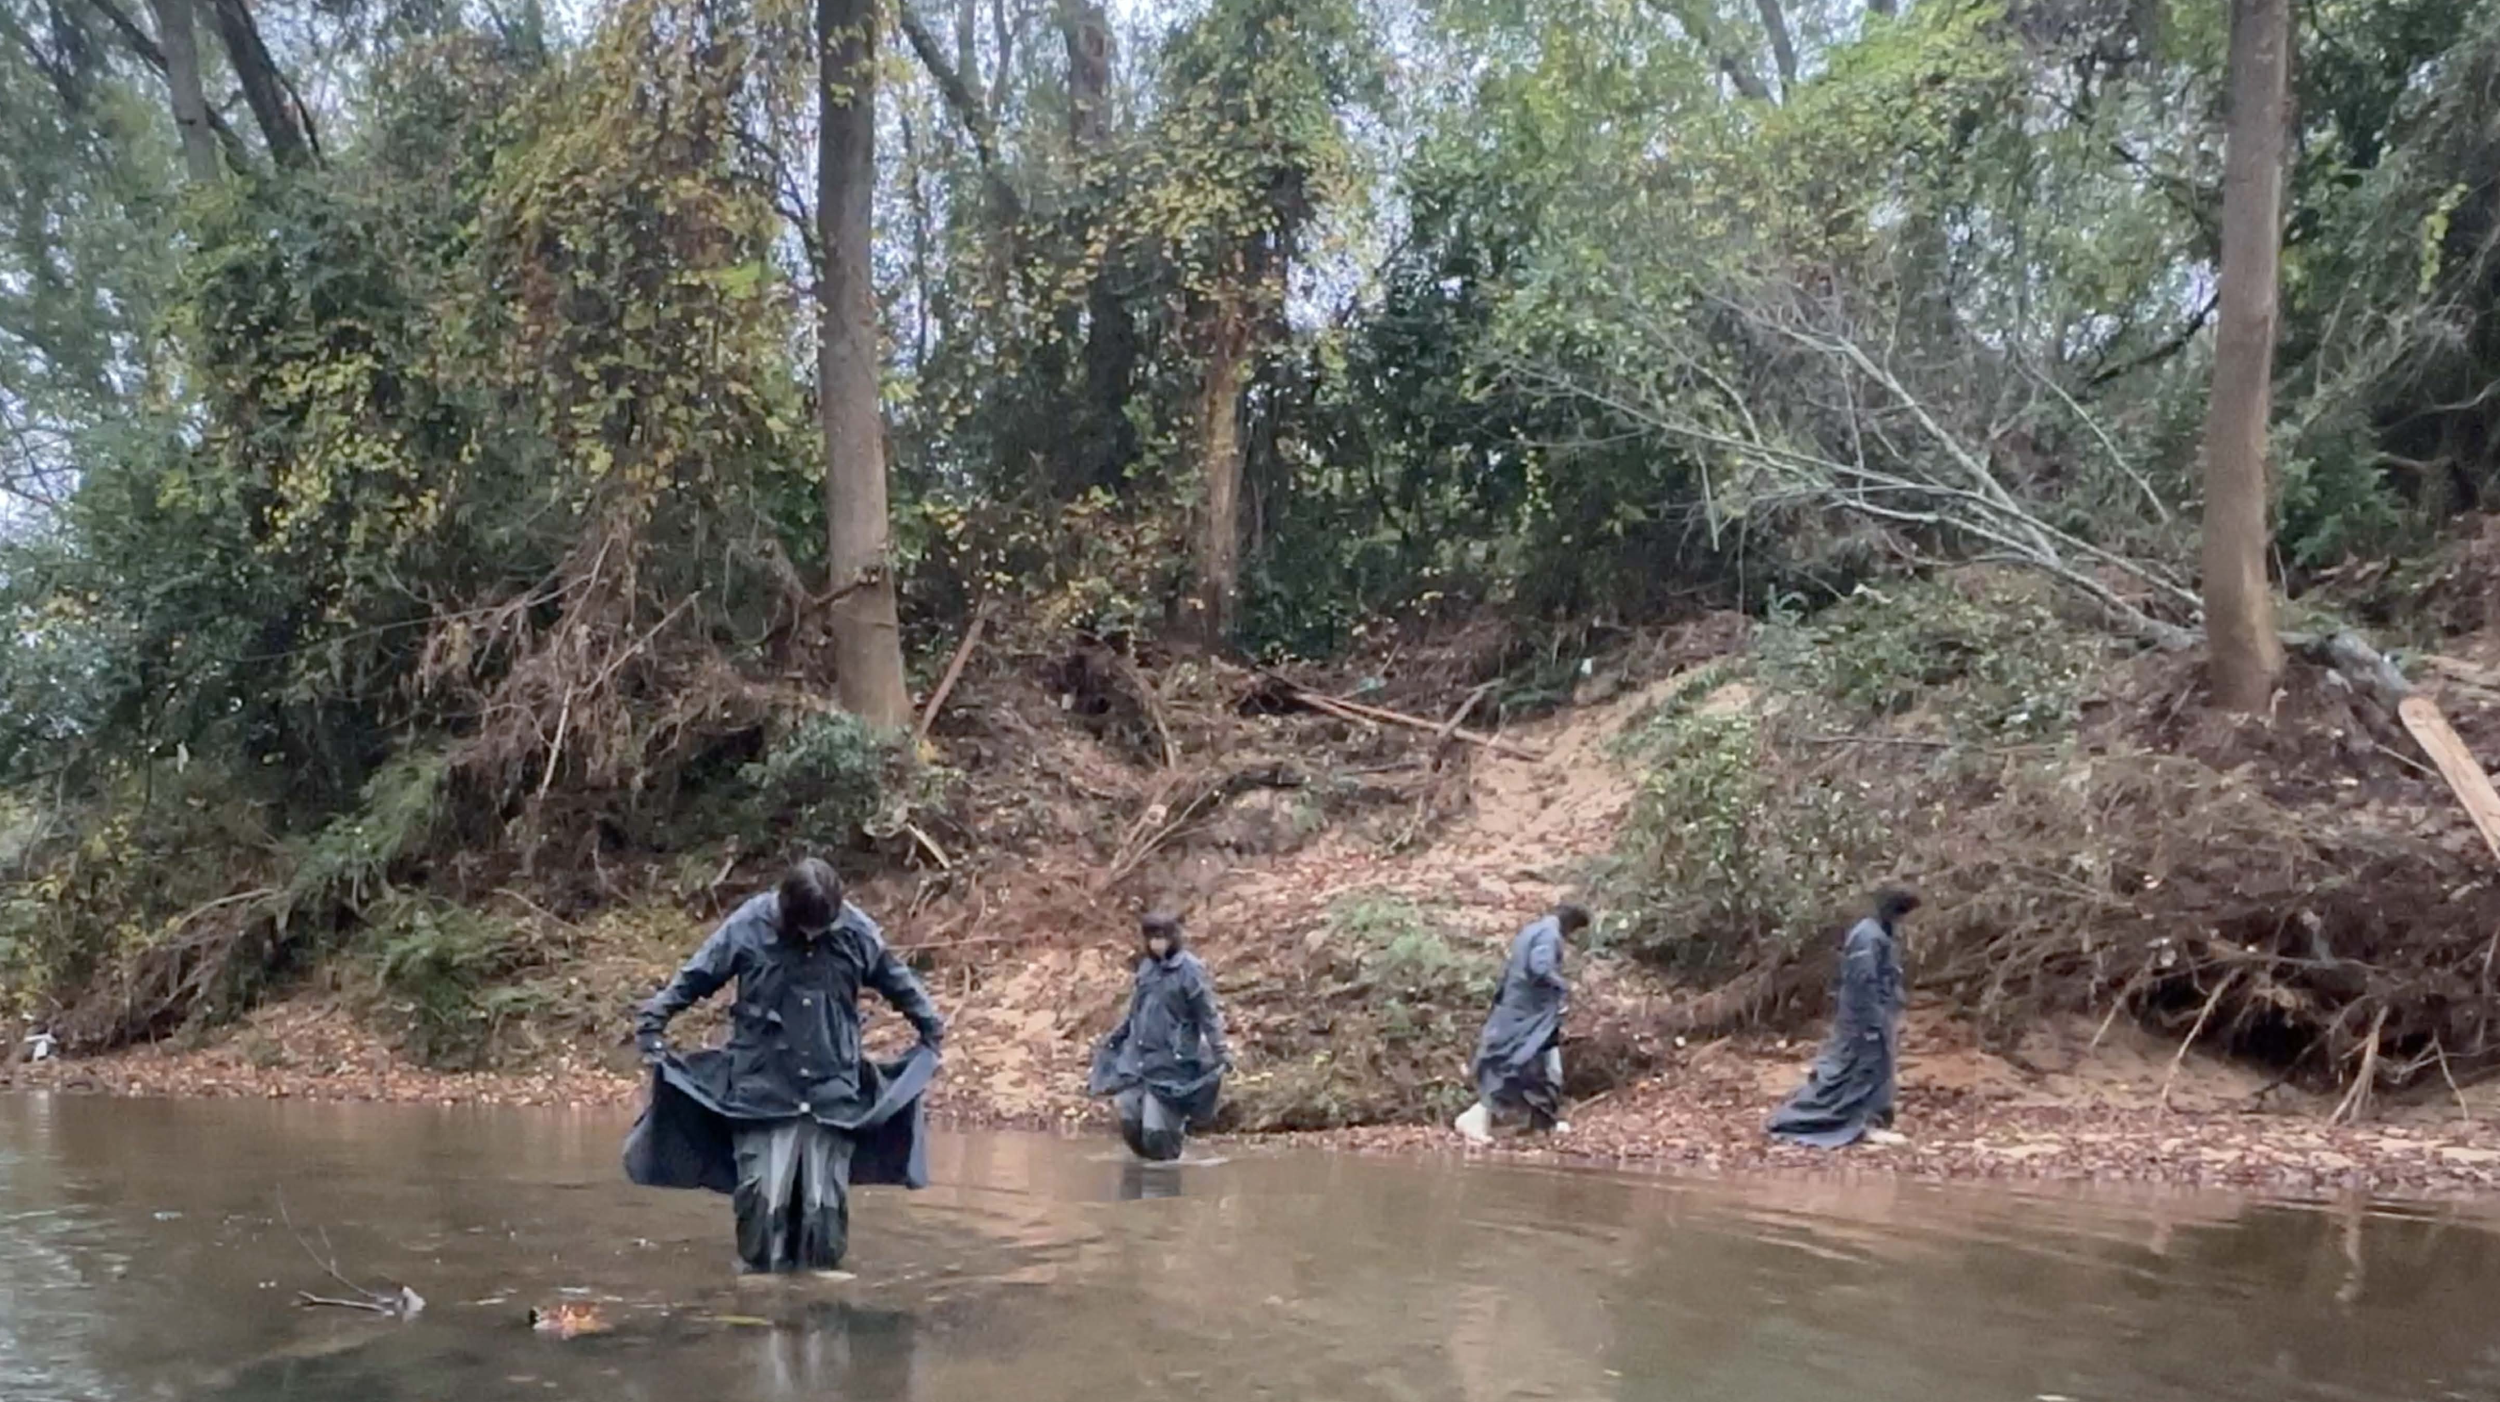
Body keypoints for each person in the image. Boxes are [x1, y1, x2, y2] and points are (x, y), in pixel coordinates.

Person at [622, 857, 946, 1274]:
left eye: (820, 927)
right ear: (786, 908)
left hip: (832, 1090)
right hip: (763, 1088)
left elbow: (897, 981)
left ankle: (820, 1304)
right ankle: (762, 1294)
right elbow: (697, 976)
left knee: (824, 1207)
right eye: (804, 926)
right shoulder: (749, 925)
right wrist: (653, 1023)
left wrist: (930, 1030)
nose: (812, 934)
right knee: (761, 1200)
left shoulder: (856, 931)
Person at [1766, 888, 1917, 1148]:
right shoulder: (1868, 936)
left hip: (1877, 1015)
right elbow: (1862, 982)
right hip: (1862, 1018)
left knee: (1876, 1070)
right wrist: (1870, 1022)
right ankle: (1814, 1120)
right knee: (1852, 1071)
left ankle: (1868, 1121)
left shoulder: (1880, 933)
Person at [1087, 911, 1229, 1161]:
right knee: (1129, 1121)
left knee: (1157, 1134)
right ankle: (1138, 1185)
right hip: (1137, 1060)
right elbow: (1135, 1011)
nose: (1157, 943)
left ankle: (1165, 1184)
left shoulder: (1190, 970)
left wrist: (1220, 1050)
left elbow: (1207, 1014)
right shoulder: (1146, 968)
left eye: (1162, 937)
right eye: (1152, 937)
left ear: (1174, 937)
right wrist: (1116, 1038)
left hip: (1172, 1063)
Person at [1457, 903, 1591, 1143]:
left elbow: (1509, 972)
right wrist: (1563, 988)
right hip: (1528, 1016)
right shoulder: (1550, 935)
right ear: (1570, 926)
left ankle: (1544, 1124)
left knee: (1544, 1067)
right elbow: (1540, 967)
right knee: (1515, 1064)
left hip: (1522, 1012)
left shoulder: (1531, 931)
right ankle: (1476, 1116)